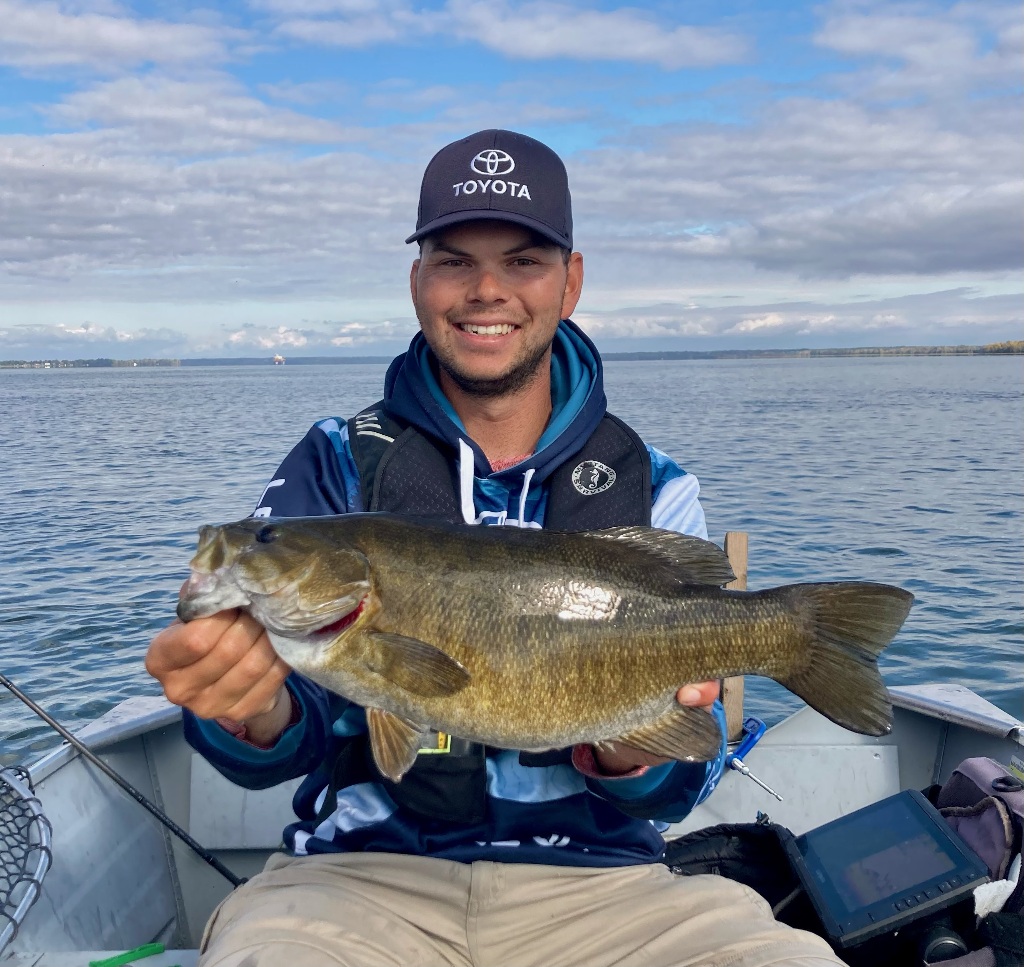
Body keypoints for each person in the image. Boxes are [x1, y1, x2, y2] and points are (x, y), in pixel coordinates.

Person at [146, 129, 844, 967]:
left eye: (522, 261)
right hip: (355, 887)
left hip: (609, 893)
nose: (486, 290)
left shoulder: (654, 485)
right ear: (417, 282)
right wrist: (246, 708)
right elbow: (280, 750)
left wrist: (633, 741)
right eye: (452, 261)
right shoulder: (335, 462)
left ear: (570, 281)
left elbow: (676, 788)